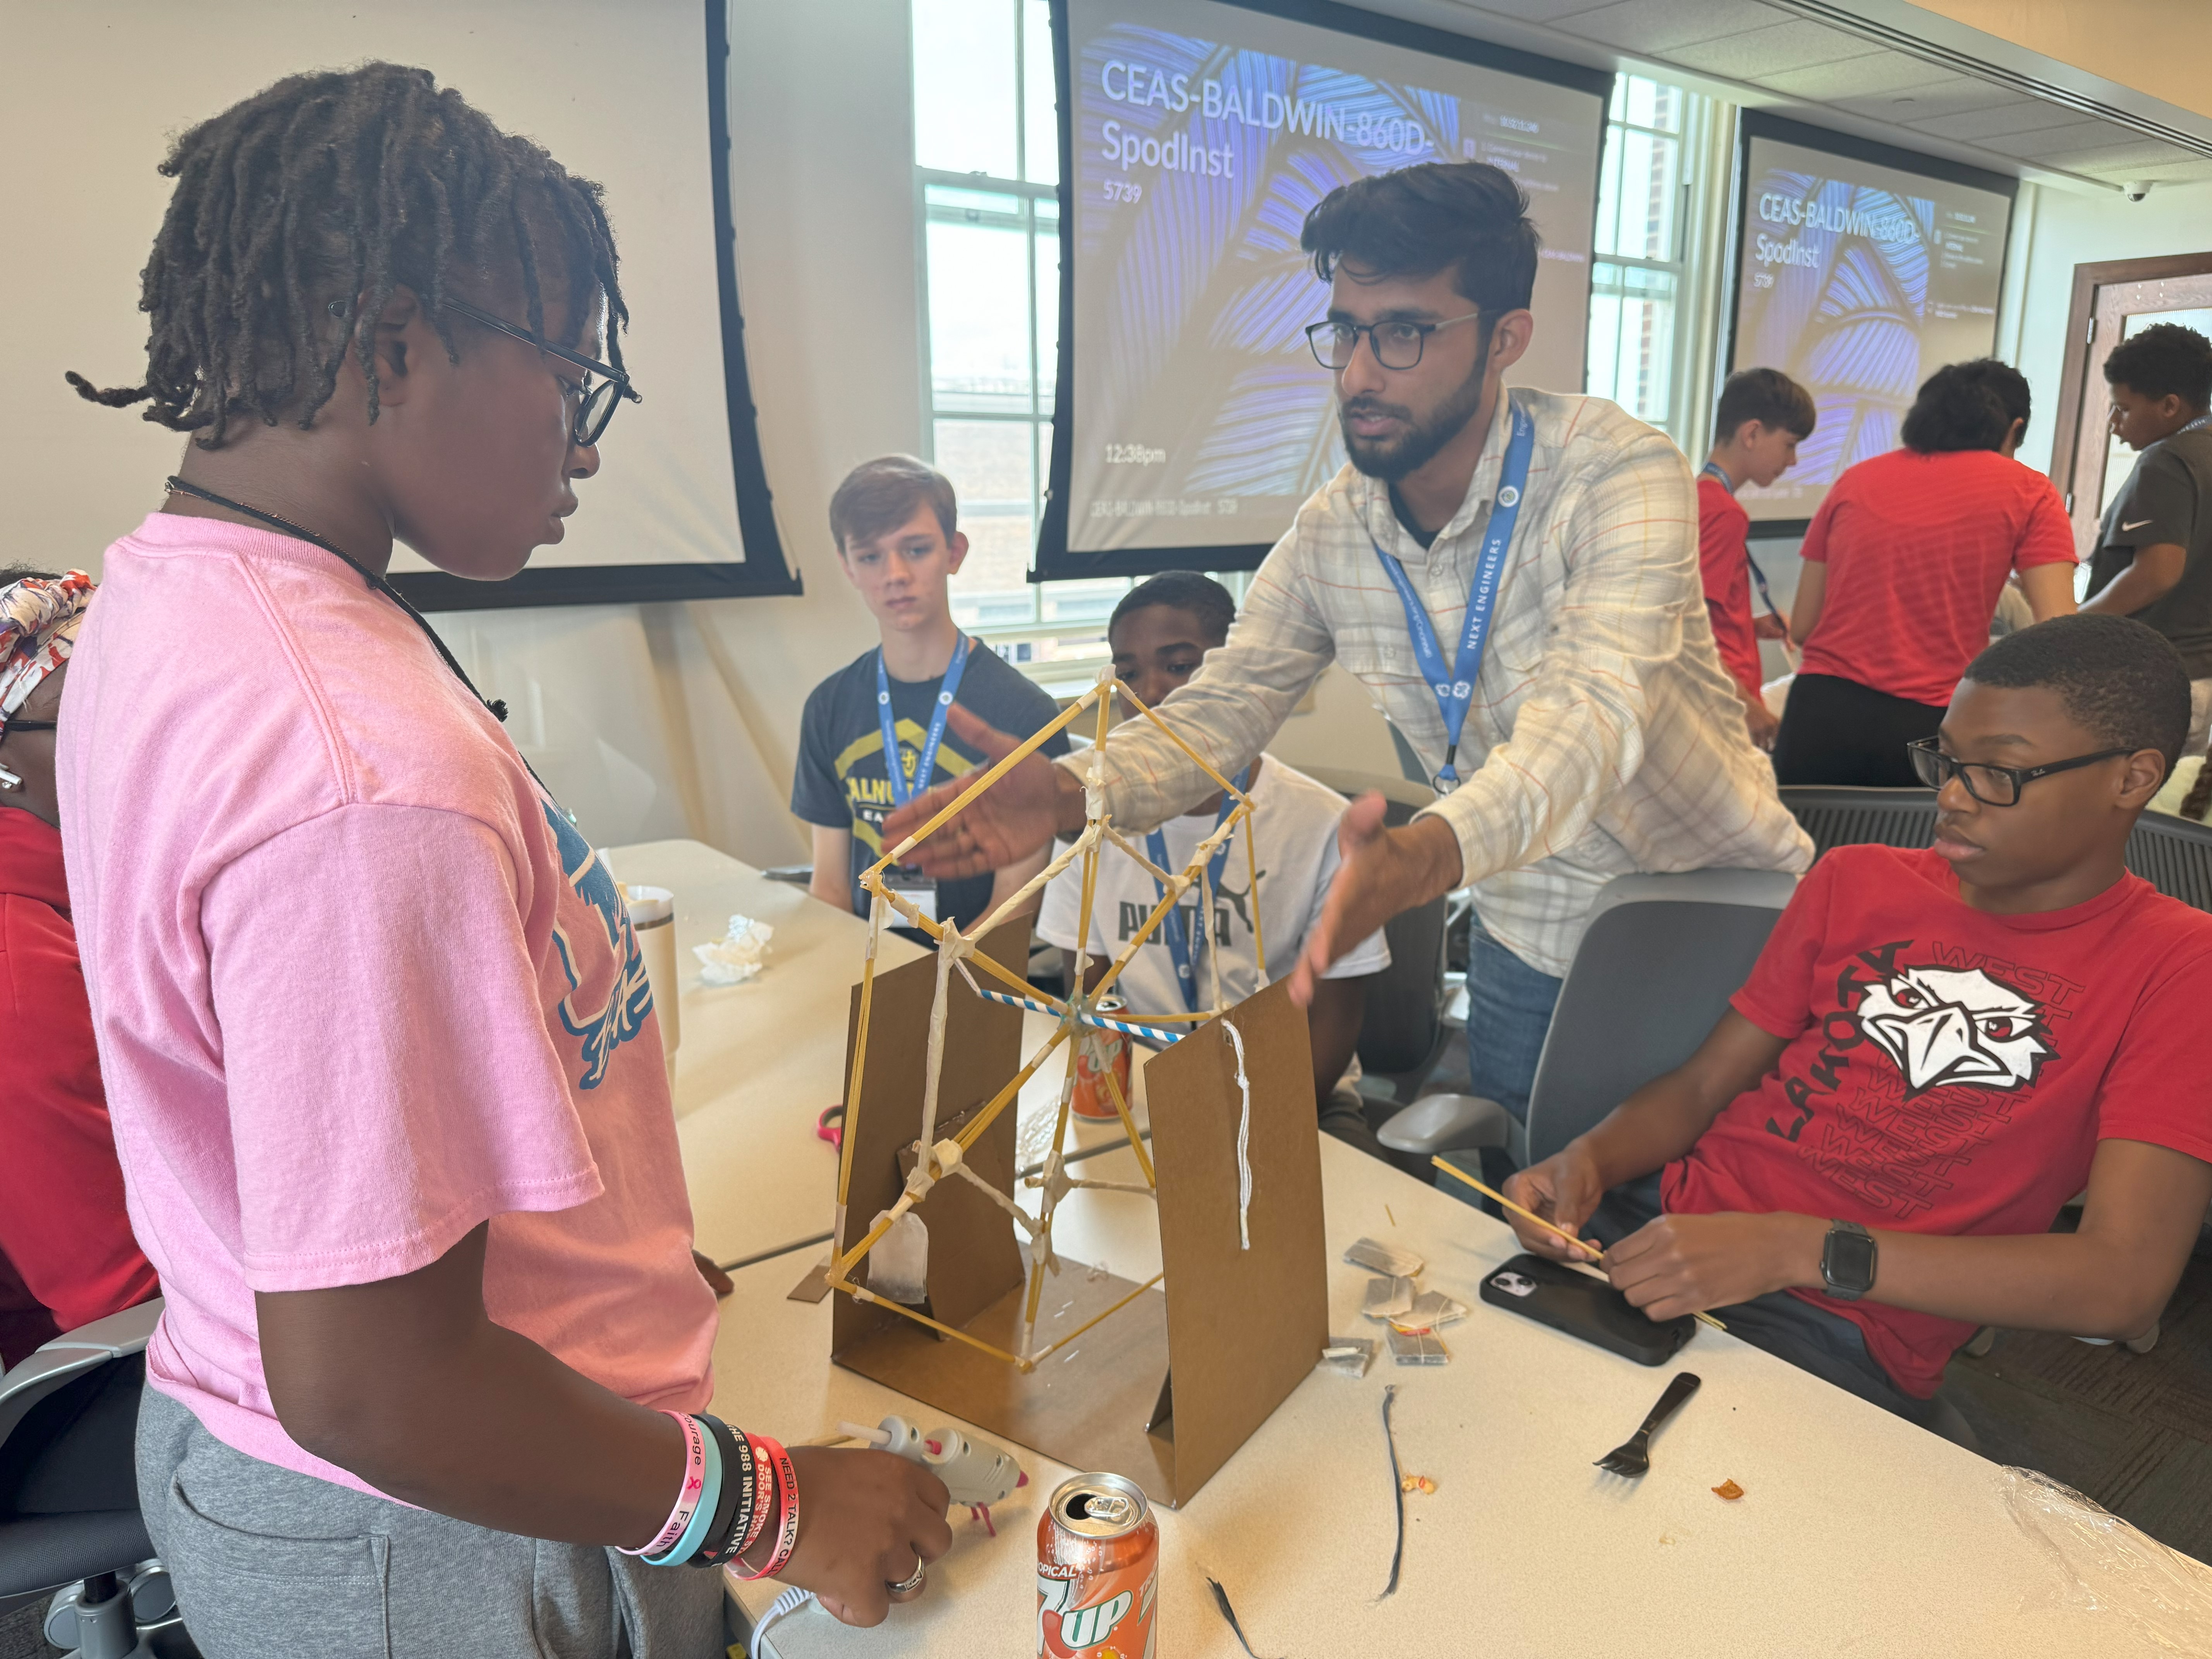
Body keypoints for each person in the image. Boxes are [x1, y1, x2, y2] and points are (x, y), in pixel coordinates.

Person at [60, 65, 946, 1657]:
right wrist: (785, 1506)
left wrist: (604, 1278)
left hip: (326, 1437)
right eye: (566, 375)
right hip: (442, 1534)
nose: (584, 452)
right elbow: (379, 1380)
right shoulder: (357, 773)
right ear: (396, 344)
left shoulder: (169, 592)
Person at [884, 161, 1810, 1138]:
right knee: (1525, 1222)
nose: (1361, 373)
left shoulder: (1616, 473)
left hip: (1714, 911)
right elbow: (1226, 702)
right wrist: (1076, 790)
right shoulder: (1338, 530)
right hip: (1527, 920)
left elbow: (1591, 718)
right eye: (1346, 331)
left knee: (1713, 1219)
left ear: (1505, 339)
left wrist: (1427, 855)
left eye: (1404, 332)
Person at [1504, 615, 2212, 1429]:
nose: (1950, 796)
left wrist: (1789, 1247)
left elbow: (2121, 1284)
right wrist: (1588, 1160)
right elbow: (1704, 1086)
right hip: (1662, 1224)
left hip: (1840, 1322)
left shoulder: (2179, 965)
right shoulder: (1856, 879)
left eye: (1999, 774)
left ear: (2132, 779)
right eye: (1946, 760)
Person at [1034, 573, 1391, 1152]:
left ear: (1233, 677)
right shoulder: (1093, 816)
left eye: (1178, 667)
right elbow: (1094, 986)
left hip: (1297, 1096)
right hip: (1148, 1094)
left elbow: (1337, 1014)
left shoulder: (1321, 824)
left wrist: (1262, 1126)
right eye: (1127, 673)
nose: (1148, 692)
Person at [792, 455, 1066, 940]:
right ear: (848, 567)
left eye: (915, 550)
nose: (894, 574)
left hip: (974, 983)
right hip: (864, 971)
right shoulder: (828, 707)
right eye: (871, 556)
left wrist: (931, 994)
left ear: (954, 553)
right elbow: (831, 888)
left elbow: (1013, 910)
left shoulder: (1026, 713)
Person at [1772, 361, 2076, 787]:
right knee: (1908, 854)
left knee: (1810, 852)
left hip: (1819, 715)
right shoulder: (2030, 491)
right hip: (1926, 729)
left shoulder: (1856, 480)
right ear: (2010, 429)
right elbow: (2060, 637)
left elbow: (1803, 627)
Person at [0, 568, 158, 1369]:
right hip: (108, 1397)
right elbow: (121, 1291)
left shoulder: (94, 898)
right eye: (90, 716)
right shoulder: (16, 965)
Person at [2079, 323, 2212, 780]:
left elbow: (2157, 572)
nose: (2115, 425)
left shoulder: (2168, 459)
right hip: (2199, 677)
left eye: (2123, 409)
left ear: (2170, 406)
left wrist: (2071, 626)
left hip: (2155, 677)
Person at [1698, 369, 1817, 750]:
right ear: (1751, 434)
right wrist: (1747, 705)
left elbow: (1702, 614)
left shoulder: (1699, 496)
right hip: (1723, 706)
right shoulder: (1724, 514)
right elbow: (1688, 629)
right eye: (1789, 444)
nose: (1793, 460)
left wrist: (1747, 627)